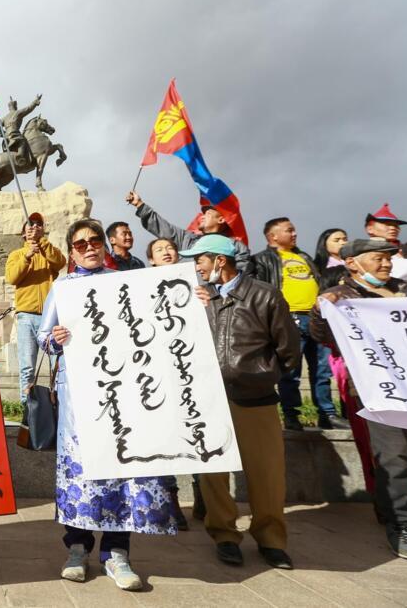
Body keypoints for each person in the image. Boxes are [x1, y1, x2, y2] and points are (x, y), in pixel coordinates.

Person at [39, 220, 175, 592]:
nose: (88, 247)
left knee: (123, 472)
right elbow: (41, 337)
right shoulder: (62, 287)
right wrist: (54, 337)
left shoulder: (127, 281)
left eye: (94, 241)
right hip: (79, 398)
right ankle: (78, 547)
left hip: (124, 395)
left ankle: (117, 553)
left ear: (104, 246)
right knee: (81, 472)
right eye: (80, 243)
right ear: (71, 251)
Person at [181, 234, 299, 570]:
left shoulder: (265, 296)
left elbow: (289, 349)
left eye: (201, 259)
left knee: (267, 474)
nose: (197, 267)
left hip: (256, 399)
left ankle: (271, 540)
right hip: (211, 400)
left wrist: (263, 375)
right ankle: (224, 536)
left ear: (220, 260)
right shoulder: (202, 299)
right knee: (213, 474)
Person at [310, 239, 407, 561]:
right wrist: (320, 311)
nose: (385, 264)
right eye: (377, 258)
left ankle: (391, 511)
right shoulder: (342, 297)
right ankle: (402, 524)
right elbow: (321, 336)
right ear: (353, 263)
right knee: (395, 456)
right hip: (381, 390)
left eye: (387, 258)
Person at [251, 217, 344, 430]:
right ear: (273, 235)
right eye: (289, 230)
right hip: (287, 319)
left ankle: (327, 414)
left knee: (322, 369)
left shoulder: (303, 256)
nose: (294, 234)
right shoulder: (262, 259)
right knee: (290, 371)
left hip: (315, 317)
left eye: (294, 230)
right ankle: (291, 415)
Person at [140, 235, 192, 530]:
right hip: (158, 370)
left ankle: (203, 497)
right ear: (150, 259)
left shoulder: (194, 284)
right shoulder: (143, 286)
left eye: (170, 248)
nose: (166, 253)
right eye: (159, 250)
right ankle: (169, 498)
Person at [4, 212, 66, 405]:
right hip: (26, 316)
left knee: (53, 364)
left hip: (48, 317)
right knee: (27, 367)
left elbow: (60, 263)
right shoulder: (16, 254)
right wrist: (27, 256)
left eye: (39, 224)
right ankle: (28, 408)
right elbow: (12, 278)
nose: (35, 226)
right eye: (30, 224)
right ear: (23, 233)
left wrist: (43, 244)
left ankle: (54, 403)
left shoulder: (48, 251)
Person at [125, 191, 252, 271]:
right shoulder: (187, 239)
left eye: (207, 214)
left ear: (221, 220)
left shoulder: (235, 247)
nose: (201, 216)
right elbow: (162, 227)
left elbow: (242, 276)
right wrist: (140, 205)